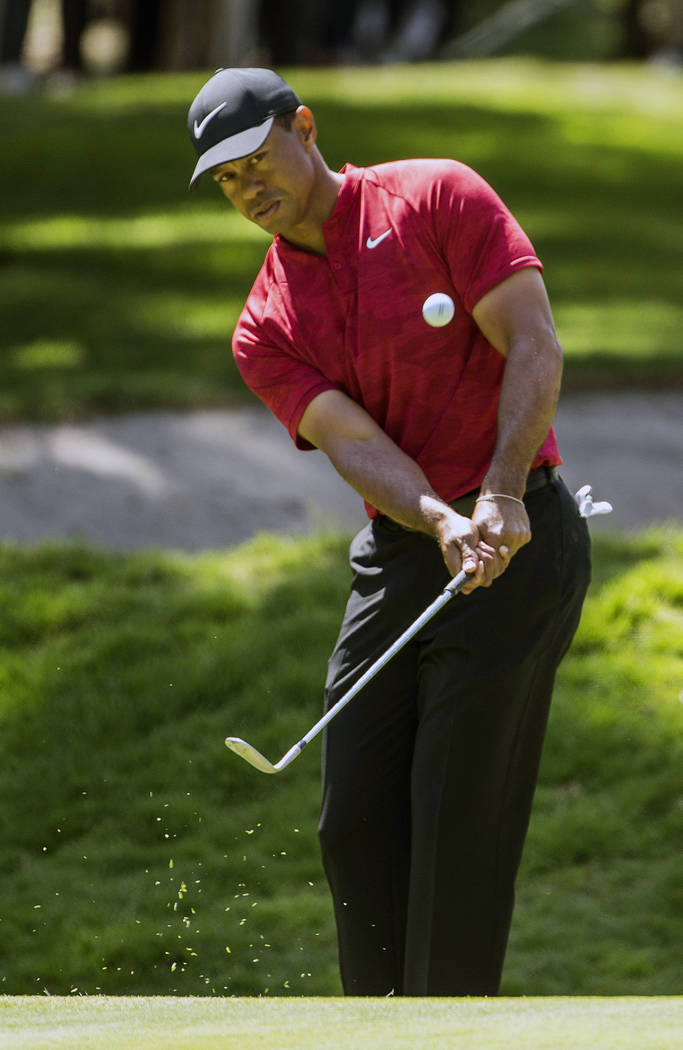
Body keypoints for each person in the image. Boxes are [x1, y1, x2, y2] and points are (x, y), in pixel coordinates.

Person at [186, 67, 591, 997]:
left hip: (521, 534)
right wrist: (441, 517)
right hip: (408, 548)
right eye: (227, 181)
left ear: (306, 127)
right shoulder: (265, 324)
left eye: (255, 162)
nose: (248, 191)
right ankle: (376, 1025)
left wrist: (495, 494)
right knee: (354, 821)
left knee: (456, 825)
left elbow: (534, 344)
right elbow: (353, 440)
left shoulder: (436, 195)